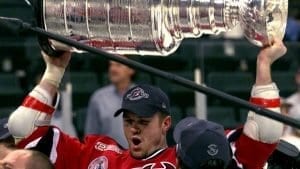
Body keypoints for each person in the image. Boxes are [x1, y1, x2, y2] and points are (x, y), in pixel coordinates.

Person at [7, 38, 286, 169]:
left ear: (166, 123)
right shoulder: (96, 156)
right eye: (128, 121)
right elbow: (23, 128)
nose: (134, 130)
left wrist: (264, 64)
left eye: (142, 122)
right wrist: (54, 72)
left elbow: (264, 135)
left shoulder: (188, 154)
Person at [85, 57, 135, 147]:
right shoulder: (98, 97)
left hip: (137, 158)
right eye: (111, 65)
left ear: (131, 69)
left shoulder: (143, 97)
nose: (112, 69)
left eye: (118, 65)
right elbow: (91, 136)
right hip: (107, 158)